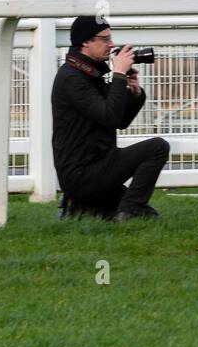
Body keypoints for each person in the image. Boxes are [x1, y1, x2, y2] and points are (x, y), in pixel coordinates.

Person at [52, 16, 169, 220]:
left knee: (150, 218)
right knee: (157, 147)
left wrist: (134, 94)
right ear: (85, 42)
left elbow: (120, 121)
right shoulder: (71, 78)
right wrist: (118, 74)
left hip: (97, 166)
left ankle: (79, 205)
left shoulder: (89, 72)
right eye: (105, 40)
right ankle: (129, 209)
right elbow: (110, 116)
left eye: (110, 38)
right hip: (82, 173)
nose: (112, 44)